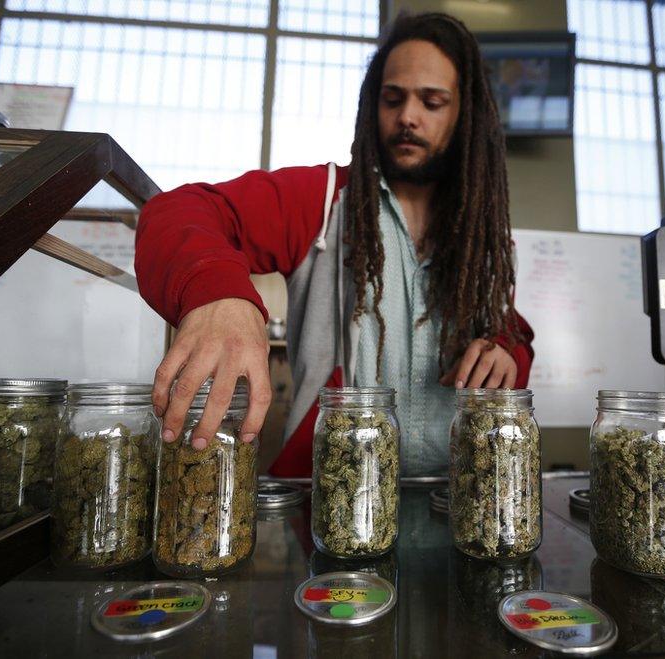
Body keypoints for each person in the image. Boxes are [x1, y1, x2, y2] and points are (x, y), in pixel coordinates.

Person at [135, 12, 534, 477]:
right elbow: (180, 210)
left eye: (432, 102)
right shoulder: (322, 200)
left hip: (458, 500)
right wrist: (218, 295)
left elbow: (511, 327)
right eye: (393, 98)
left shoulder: (485, 238)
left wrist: (507, 349)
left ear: (463, 114)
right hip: (331, 499)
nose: (408, 116)